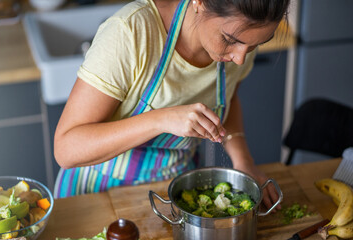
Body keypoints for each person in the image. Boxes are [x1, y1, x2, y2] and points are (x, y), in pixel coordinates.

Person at [53, 0, 290, 211]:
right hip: (98, 194)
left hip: (174, 190)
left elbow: (229, 99)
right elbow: (66, 148)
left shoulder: (242, 41)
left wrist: (243, 163)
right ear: (200, 3)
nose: (240, 58)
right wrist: (161, 119)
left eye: (254, 45)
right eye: (229, 40)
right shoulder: (130, 32)